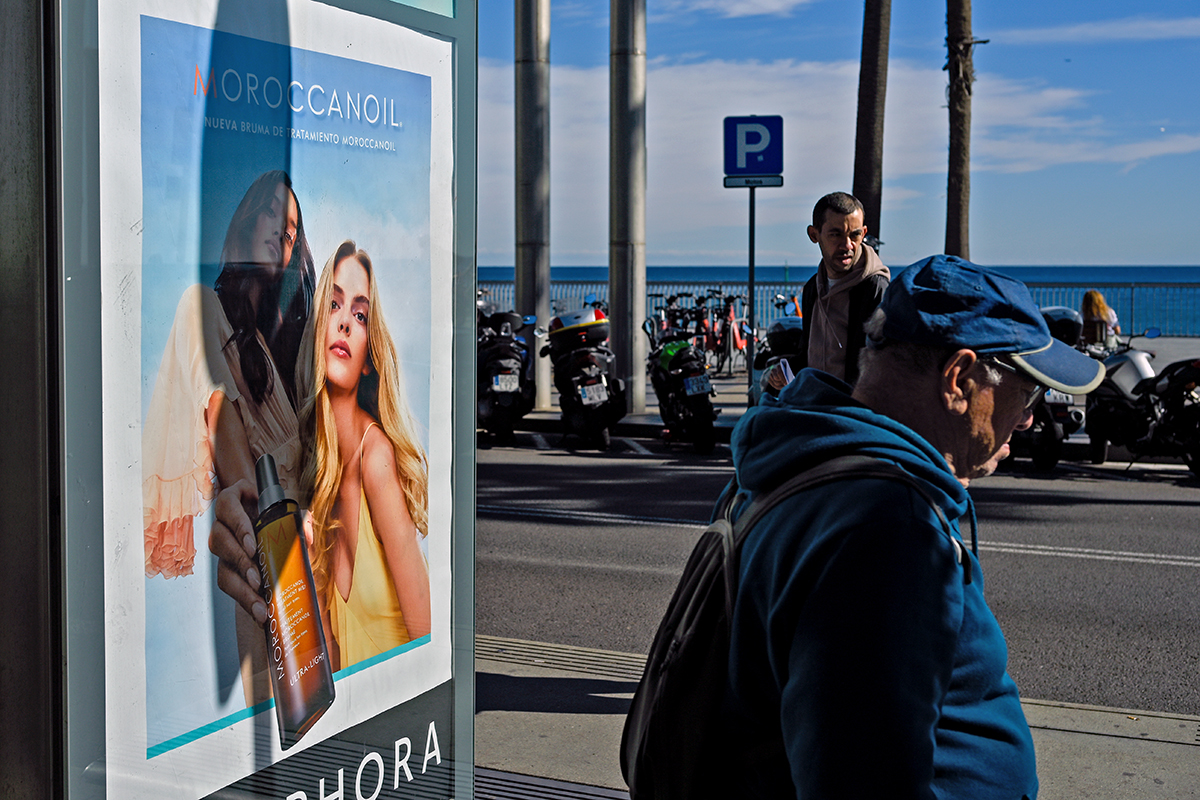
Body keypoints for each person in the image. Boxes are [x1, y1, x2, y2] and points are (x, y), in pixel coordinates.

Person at [717, 255, 1104, 799]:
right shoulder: (889, 531)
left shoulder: (798, 463)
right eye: (1028, 391)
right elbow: (859, 778)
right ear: (959, 378)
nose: (1029, 418)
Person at [143, 170, 315, 703]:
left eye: (292, 231)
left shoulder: (293, 339)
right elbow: (223, 414)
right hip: (271, 544)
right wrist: (258, 526)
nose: (281, 234)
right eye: (270, 213)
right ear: (244, 221)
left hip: (319, 537)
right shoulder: (209, 311)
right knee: (278, 718)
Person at [295, 240, 431, 669]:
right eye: (334, 306)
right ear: (318, 326)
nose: (346, 324)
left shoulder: (377, 461)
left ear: (369, 358)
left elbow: (426, 636)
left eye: (359, 314)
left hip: (397, 722)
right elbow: (330, 661)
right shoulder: (319, 477)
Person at [795, 191, 890, 385]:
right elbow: (807, 353)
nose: (847, 245)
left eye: (854, 235)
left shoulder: (875, 288)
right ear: (814, 235)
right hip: (815, 404)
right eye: (835, 234)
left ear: (863, 233)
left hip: (852, 410)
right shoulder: (813, 287)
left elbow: (880, 364)